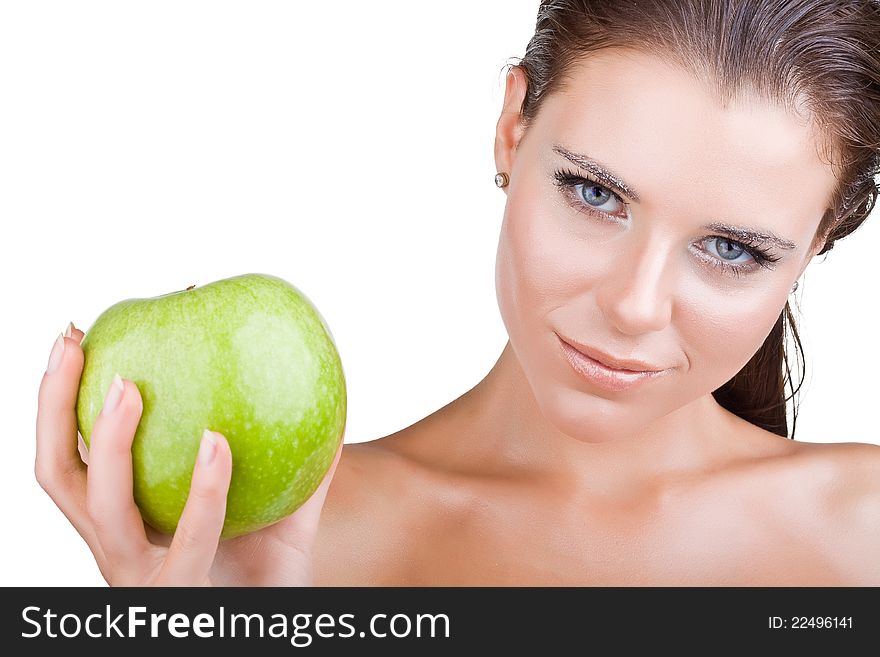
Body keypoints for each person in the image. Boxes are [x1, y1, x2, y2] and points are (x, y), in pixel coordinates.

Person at [36, 0, 880, 586]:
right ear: (514, 128)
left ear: (819, 243)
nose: (634, 304)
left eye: (731, 248)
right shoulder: (246, 544)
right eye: (594, 194)